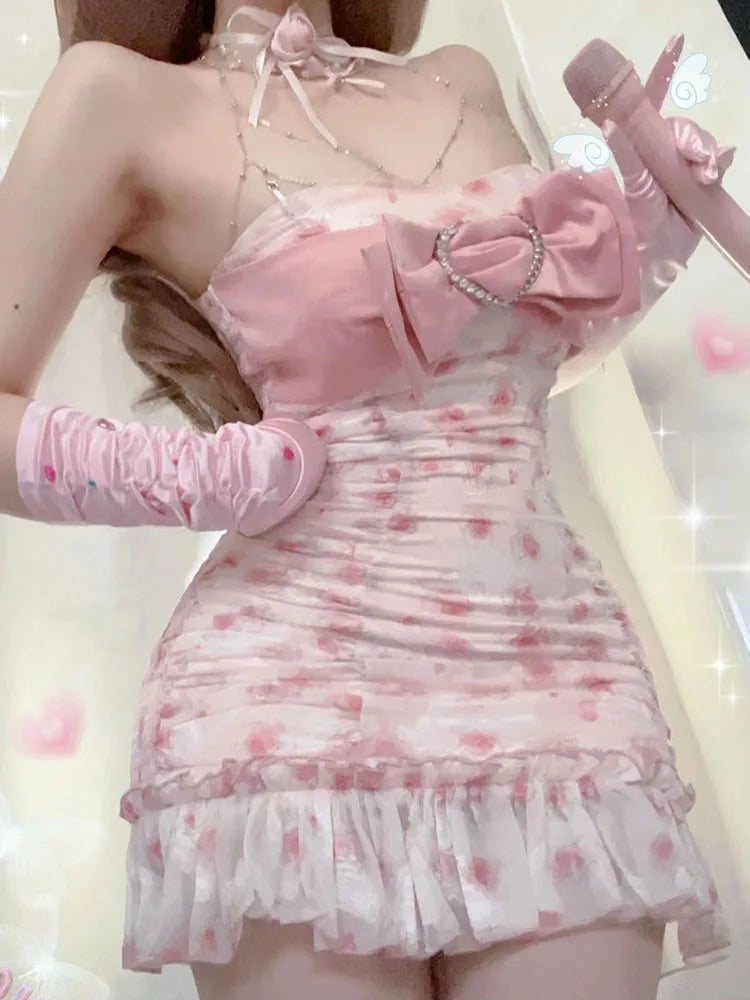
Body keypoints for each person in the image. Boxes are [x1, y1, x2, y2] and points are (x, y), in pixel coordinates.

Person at [0, 1, 735, 998]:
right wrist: (190, 477)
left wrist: (646, 240)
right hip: (291, 699)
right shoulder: (119, 97)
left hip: (556, 672)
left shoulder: (462, 79)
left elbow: (510, 364)